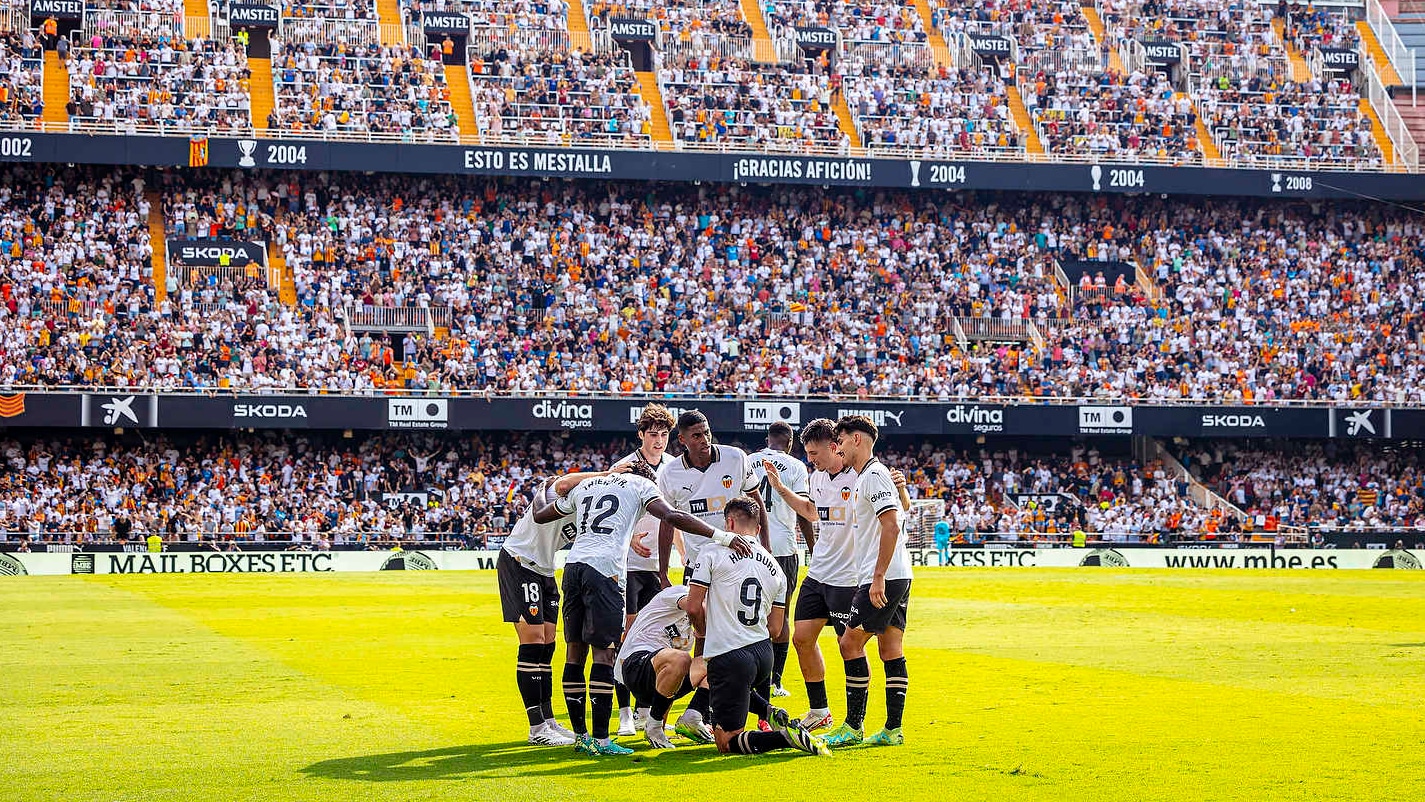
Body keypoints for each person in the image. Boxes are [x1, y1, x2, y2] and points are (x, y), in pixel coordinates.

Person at [531, 461, 748, 757]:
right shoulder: (640, 485)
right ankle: (602, 740)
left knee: (574, 653)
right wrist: (722, 536)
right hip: (605, 570)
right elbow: (671, 516)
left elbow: (542, 514)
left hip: (573, 567)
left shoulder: (587, 485)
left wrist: (543, 487)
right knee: (605, 653)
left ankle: (581, 735)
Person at [654, 408, 770, 739]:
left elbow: (756, 502)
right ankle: (696, 711)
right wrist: (663, 572)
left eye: (706, 432)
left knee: (735, 639)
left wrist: (766, 549)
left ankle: (700, 711)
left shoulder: (734, 457)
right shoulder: (672, 474)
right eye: (696, 436)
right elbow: (669, 521)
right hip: (700, 567)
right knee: (712, 641)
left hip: (740, 565)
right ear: (682, 440)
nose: (704, 440)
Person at [686, 496, 828, 757]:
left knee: (726, 742)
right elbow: (776, 629)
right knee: (733, 689)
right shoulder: (775, 566)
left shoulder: (712, 551)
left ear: (728, 523)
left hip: (729, 655)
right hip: (764, 656)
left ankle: (787, 738)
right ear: (759, 529)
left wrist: (703, 632)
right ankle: (769, 712)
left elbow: (694, 606)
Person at [497, 469, 618, 746]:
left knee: (548, 642)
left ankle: (549, 720)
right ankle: (536, 728)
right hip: (520, 560)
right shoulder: (573, 489)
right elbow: (558, 482)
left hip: (545, 568)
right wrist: (608, 472)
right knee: (533, 641)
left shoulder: (597, 509)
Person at [762, 417, 856, 732]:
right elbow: (811, 511)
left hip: (848, 576)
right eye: (808, 453)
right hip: (818, 574)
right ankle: (820, 710)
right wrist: (780, 488)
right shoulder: (817, 477)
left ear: (835, 446)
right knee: (802, 638)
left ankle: (854, 721)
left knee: (849, 646)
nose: (810, 459)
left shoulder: (859, 477)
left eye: (815, 453)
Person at [824, 415, 913, 747]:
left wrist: (876, 578)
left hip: (883, 577)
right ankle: (892, 730)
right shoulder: (870, 476)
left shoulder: (873, 476)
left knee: (849, 643)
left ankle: (852, 725)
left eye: (842, 441)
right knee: (890, 649)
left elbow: (891, 526)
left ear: (857, 440)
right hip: (898, 574)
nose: (839, 448)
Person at [612, 404, 677, 736]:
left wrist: (675, 559)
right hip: (627, 567)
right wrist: (628, 539)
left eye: (664, 434)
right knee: (625, 639)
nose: (659, 441)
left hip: (657, 568)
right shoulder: (623, 468)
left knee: (655, 638)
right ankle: (623, 712)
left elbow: (673, 519)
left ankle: (643, 707)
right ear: (640, 435)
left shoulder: (671, 468)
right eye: (653, 434)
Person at [749, 421, 814, 699]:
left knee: (749, 612)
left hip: (750, 547)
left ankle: (750, 677)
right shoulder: (797, 467)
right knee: (781, 614)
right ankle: (775, 681)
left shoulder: (749, 461)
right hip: (784, 549)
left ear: (767, 440)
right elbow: (802, 510)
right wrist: (814, 546)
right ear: (790, 443)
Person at [613, 585, 699, 749]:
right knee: (681, 658)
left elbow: (674, 678)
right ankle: (636, 718)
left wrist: (660, 726)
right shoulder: (678, 592)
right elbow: (692, 605)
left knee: (712, 663)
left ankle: (693, 717)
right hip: (634, 665)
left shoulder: (687, 634)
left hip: (659, 679)